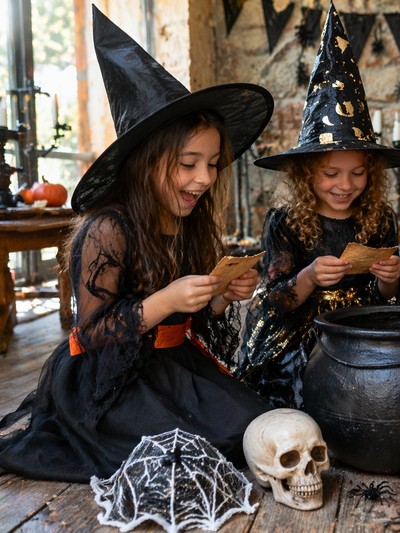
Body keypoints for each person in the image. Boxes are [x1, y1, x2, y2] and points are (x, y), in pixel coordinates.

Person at [0, 6, 273, 482]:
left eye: (211, 164)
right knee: (182, 454)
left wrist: (218, 297)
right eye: (188, 164)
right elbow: (90, 334)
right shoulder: (107, 231)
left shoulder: (188, 222)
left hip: (173, 365)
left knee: (249, 427)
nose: (204, 178)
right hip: (113, 379)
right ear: (147, 164)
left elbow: (188, 320)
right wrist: (165, 299)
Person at [235, 1, 400, 409]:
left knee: (392, 387)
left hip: (362, 330)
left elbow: (387, 295)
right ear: (306, 173)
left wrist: (389, 276)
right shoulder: (285, 221)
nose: (345, 185)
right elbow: (275, 300)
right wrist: (311, 276)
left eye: (358, 173)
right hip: (302, 331)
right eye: (331, 173)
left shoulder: (378, 216)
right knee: (311, 389)